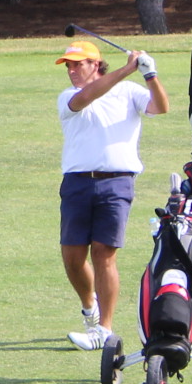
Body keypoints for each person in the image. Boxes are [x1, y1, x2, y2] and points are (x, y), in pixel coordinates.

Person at [53, 39, 168, 350]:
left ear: (95, 63)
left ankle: (104, 329)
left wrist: (150, 74)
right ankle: (89, 306)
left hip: (117, 183)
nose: (72, 70)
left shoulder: (128, 92)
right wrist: (128, 68)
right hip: (77, 182)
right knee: (73, 258)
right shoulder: (69, 96)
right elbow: (88, 96)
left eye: (78, 64)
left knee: (104, 253)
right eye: (69, 66)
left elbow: (160, 107)